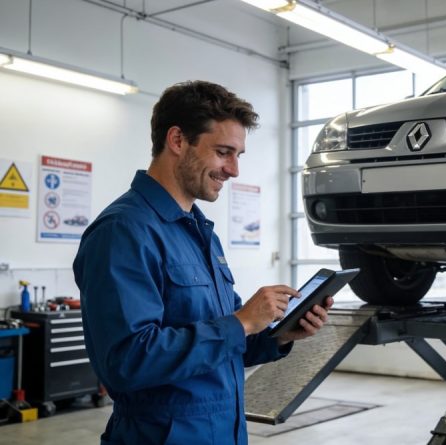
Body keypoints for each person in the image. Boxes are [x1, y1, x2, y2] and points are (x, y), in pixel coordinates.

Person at [73, 80, 332, 444]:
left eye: (238, 155)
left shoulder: (199, 232)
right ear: (178, 140)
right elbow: (126, 361)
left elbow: (225, 345)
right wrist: (241, 322)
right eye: (224, 152)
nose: (234, 170)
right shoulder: (123, 231)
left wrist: (278, 334)